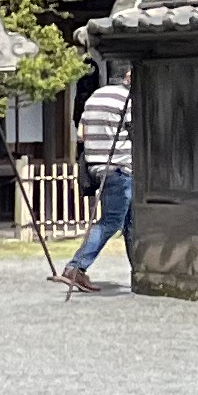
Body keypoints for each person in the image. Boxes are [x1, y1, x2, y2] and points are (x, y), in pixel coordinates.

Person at [62, 57, 134, 293]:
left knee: (131, 223)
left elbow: (81, 133)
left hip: (98, 167)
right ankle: (76, 266)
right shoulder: (127, 99)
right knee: (111, 221)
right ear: (128, 76)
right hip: (120, 167)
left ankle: (139, 271)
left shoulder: (94, 97)